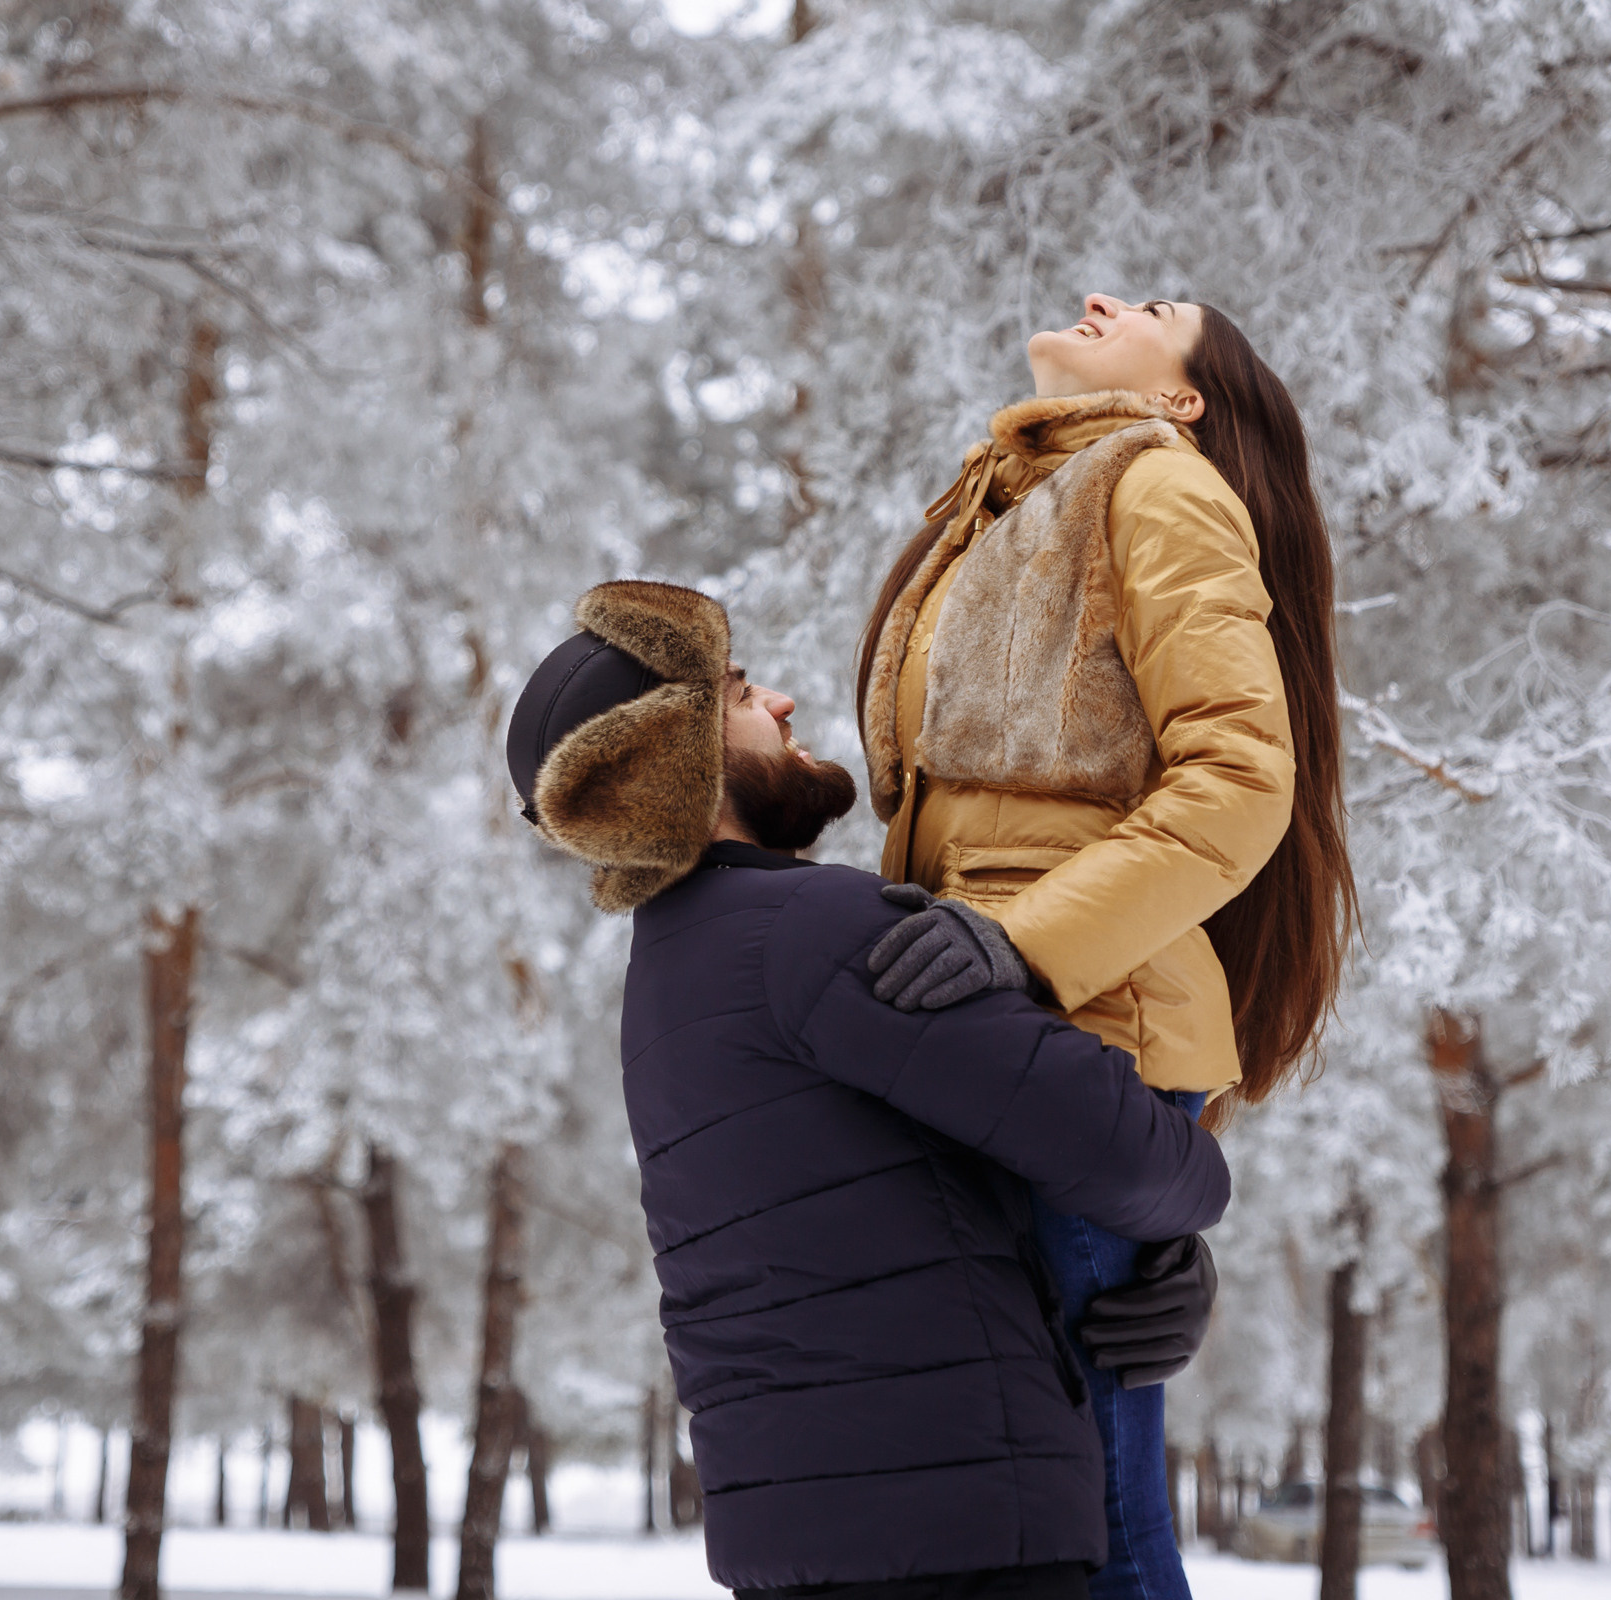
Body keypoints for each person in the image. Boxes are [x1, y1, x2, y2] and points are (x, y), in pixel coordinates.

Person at [505, 578, 1230, 1600]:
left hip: (805, 1550)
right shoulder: (811, 930)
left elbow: (889, 1216)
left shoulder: (669, 979)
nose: (786, 703)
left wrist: (1130, 1266)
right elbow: (1146, 1160)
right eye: (745, 694)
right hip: (970, 1547)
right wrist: (1169, 1223)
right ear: (677, 757)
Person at [855, 297, 1354, 1599]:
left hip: (1063, 1041)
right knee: (1022, 1512)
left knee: (1101, 1530)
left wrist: (1019, 952)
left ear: (1187, 398)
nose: (1103, 303)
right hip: (997, 1044)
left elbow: (1241, 786)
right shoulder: (1010, 507)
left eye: (1154, 313)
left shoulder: (1159, 488)